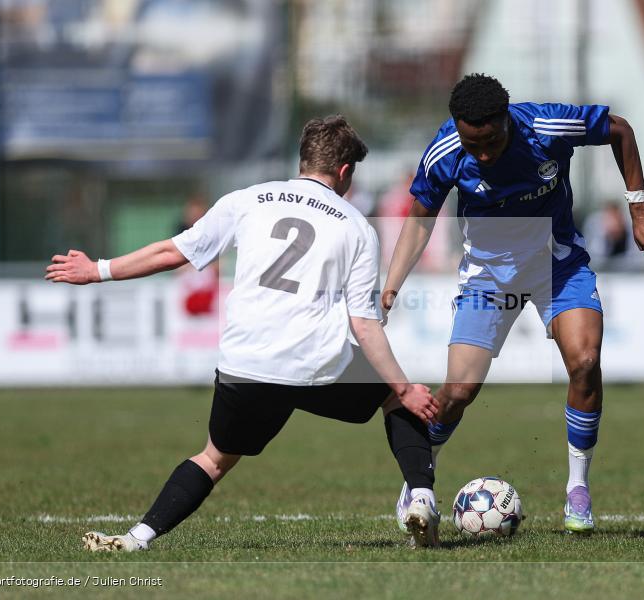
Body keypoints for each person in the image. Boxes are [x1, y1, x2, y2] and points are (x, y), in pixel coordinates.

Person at [45, 115, 442, 550]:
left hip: (245, 365)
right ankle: (421, 497)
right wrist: (404, 389)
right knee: (391, 397)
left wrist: (96, 270)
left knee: (214, 458)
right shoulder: (356, 227)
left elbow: (171, 252)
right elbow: (363, 323)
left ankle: (137, 538)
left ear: (304, 159)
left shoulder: (249, 200)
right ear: (346, 171)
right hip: (317, 366)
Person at [382, 74, 644, 535]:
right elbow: (420, 220)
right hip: (488, 278)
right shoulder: (445, 151)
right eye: (471, 143)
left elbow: (619, 129)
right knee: (457, 392)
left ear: (505, 120)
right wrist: (392, 284)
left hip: (557, 266)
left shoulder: (547, 126)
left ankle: (578, 488)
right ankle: (420, 481)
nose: (481, 153)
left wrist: (638, 207)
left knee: (585, 360)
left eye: (490, 141)